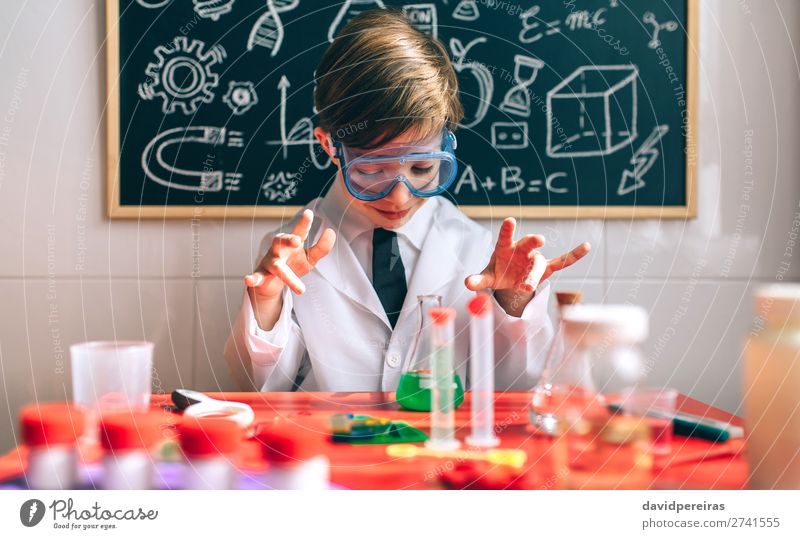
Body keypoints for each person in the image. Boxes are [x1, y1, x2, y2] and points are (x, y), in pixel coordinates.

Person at [224, 9, 590, 392]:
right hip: (333, 448)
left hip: (443, 449)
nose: (399, 196)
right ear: (330, 146)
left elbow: (514, 388)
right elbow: (262, 392)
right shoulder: (287, 257)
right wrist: (266, 304)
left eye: (421, 168)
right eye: (371, 171)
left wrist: (512, 305)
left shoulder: (478, 250)